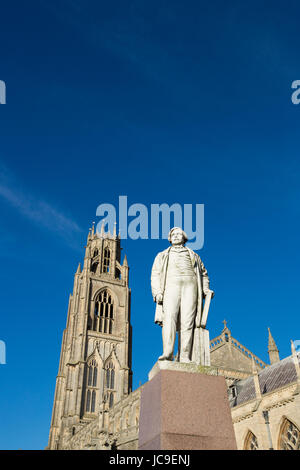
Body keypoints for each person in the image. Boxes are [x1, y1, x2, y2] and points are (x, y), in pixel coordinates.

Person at [151, 227, 213, 363]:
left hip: (190, 286)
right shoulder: (162, 255)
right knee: (169, 319)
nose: (176, 236)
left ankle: (185, 356)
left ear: (184, 238)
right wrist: (157, 292)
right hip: (170, 285)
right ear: (169, 238)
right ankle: (168, 353)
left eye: (179, 234)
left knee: (188, 321)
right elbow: (155, 274)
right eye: (173, 234)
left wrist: (205, 289)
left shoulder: (194, 256)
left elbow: (203, 274)